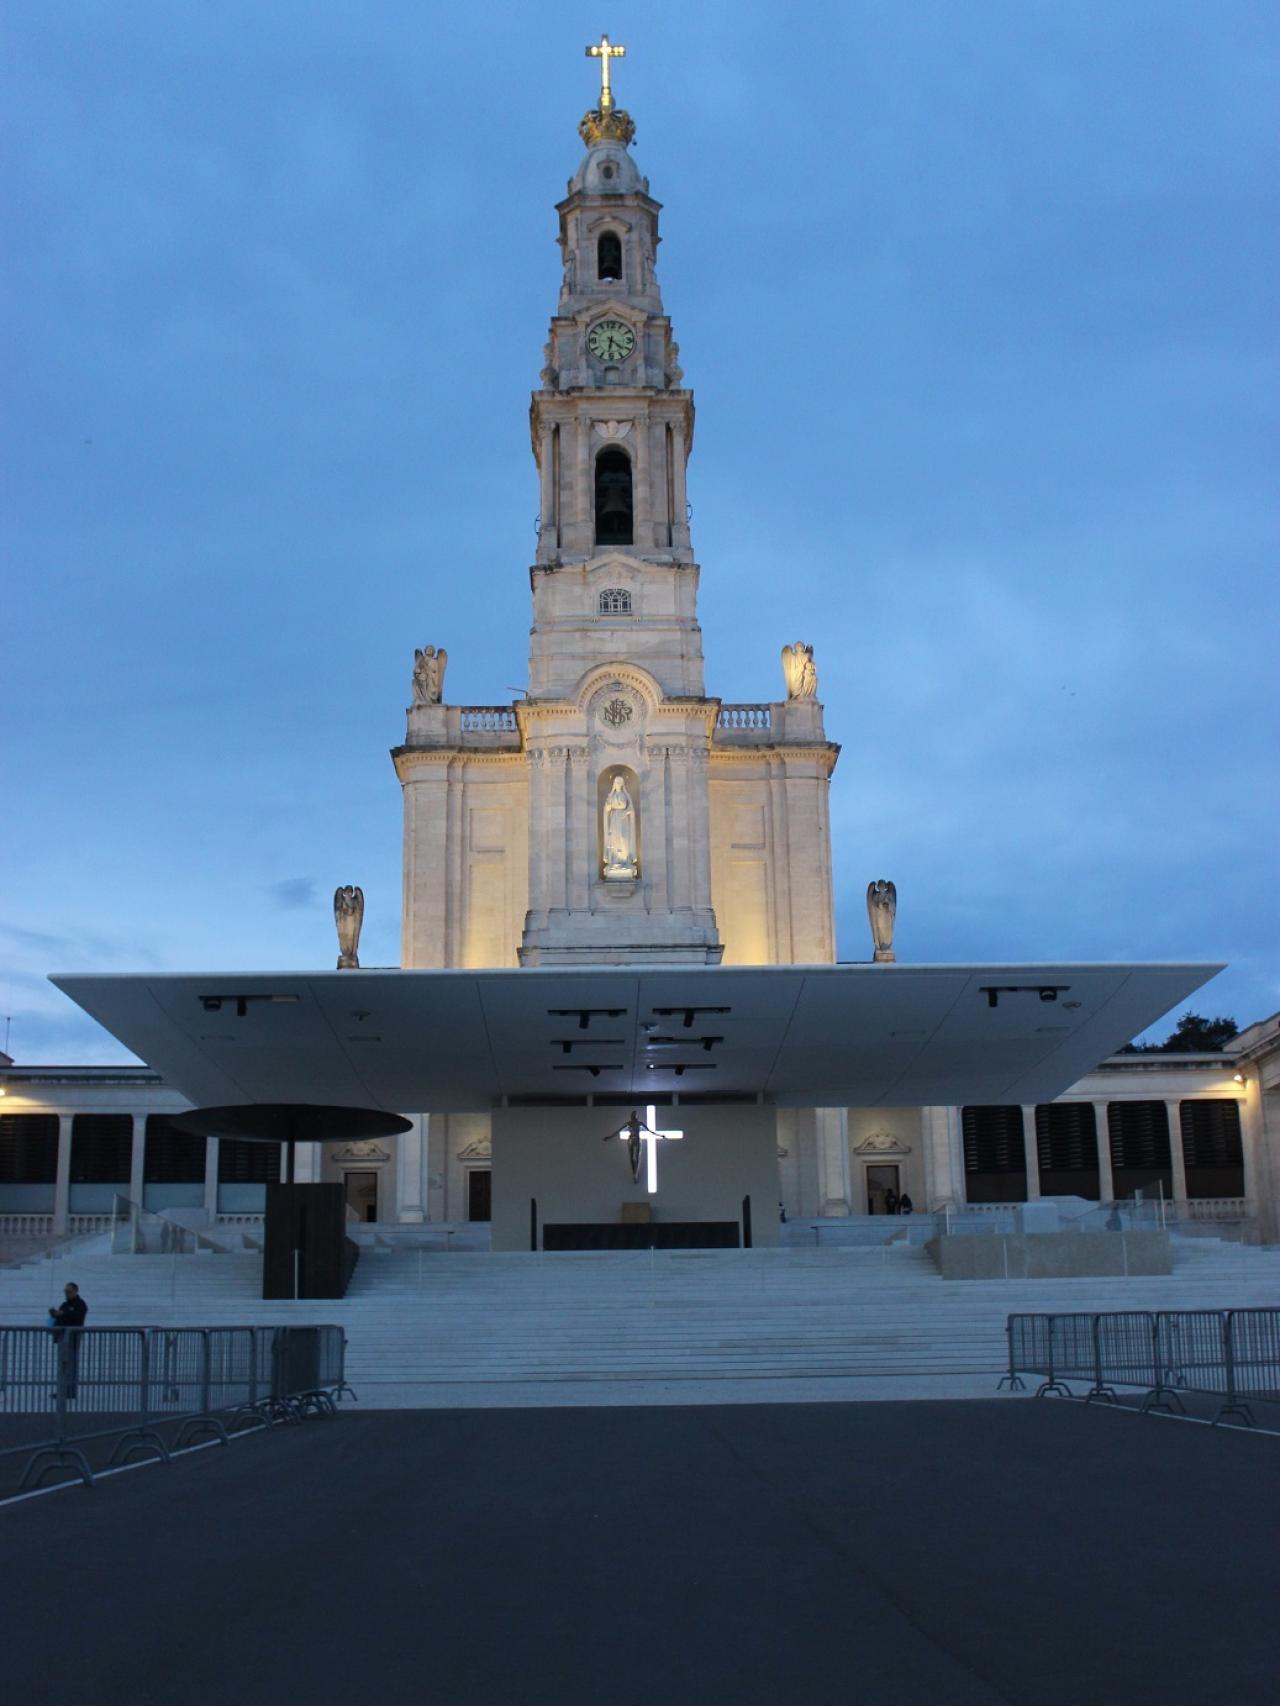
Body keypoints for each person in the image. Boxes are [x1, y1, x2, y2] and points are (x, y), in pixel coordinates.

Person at [48, 1282, 88, 1400]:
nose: (66, 1293)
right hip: (63, 1338)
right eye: (65, 1291)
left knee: (71, 1365)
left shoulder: (80, 1304)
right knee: (64, 1365)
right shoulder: (64, 1304)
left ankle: (70, 1391)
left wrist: (62, 1314)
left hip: (73, 1338)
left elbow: (77, 1317)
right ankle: (63, 1390)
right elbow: (60, 1317)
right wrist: (54, 1315)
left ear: (76, 1291)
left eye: (69, 1291)